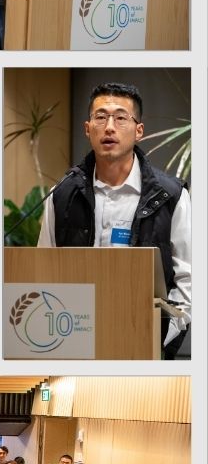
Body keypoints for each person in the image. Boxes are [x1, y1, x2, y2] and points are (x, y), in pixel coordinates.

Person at [37, 82, 191, 359]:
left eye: (121, 118)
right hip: (73, 336)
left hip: (145, 340)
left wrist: (159, 339)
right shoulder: (61, 195)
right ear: (87, 129)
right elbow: (43, 269)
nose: (109, 127)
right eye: (100, 117)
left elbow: (188, 280)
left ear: (138, 130)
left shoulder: (171, 196)